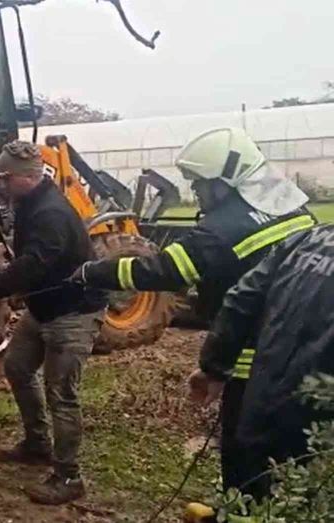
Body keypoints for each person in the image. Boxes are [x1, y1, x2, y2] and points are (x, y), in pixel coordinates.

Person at [71, 127, 315, 493]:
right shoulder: (291, 209)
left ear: (224, 181)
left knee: (242, 445)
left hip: (252, 357)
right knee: (295, 445)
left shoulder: (221, 230)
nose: (195, 192)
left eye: (199, 183)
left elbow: (165, 271)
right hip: (303, 345)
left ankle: (242, 505)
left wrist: (94, 271)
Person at [0, 140, 108, 505]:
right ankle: (37, 444)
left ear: (26, 177)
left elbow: (33, 263)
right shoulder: (29, 202)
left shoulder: (50, 214)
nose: (1, 186)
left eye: (6, 179)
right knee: (18, 367)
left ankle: (69, 477)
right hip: (44, 309)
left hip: (74, 312)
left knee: (62, 395)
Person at [190, 223, 334, 500]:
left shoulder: (306, 238)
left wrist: (214, 368)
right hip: (320, 425)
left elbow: (241, 300)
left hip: (260, 403)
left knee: (249, 494)